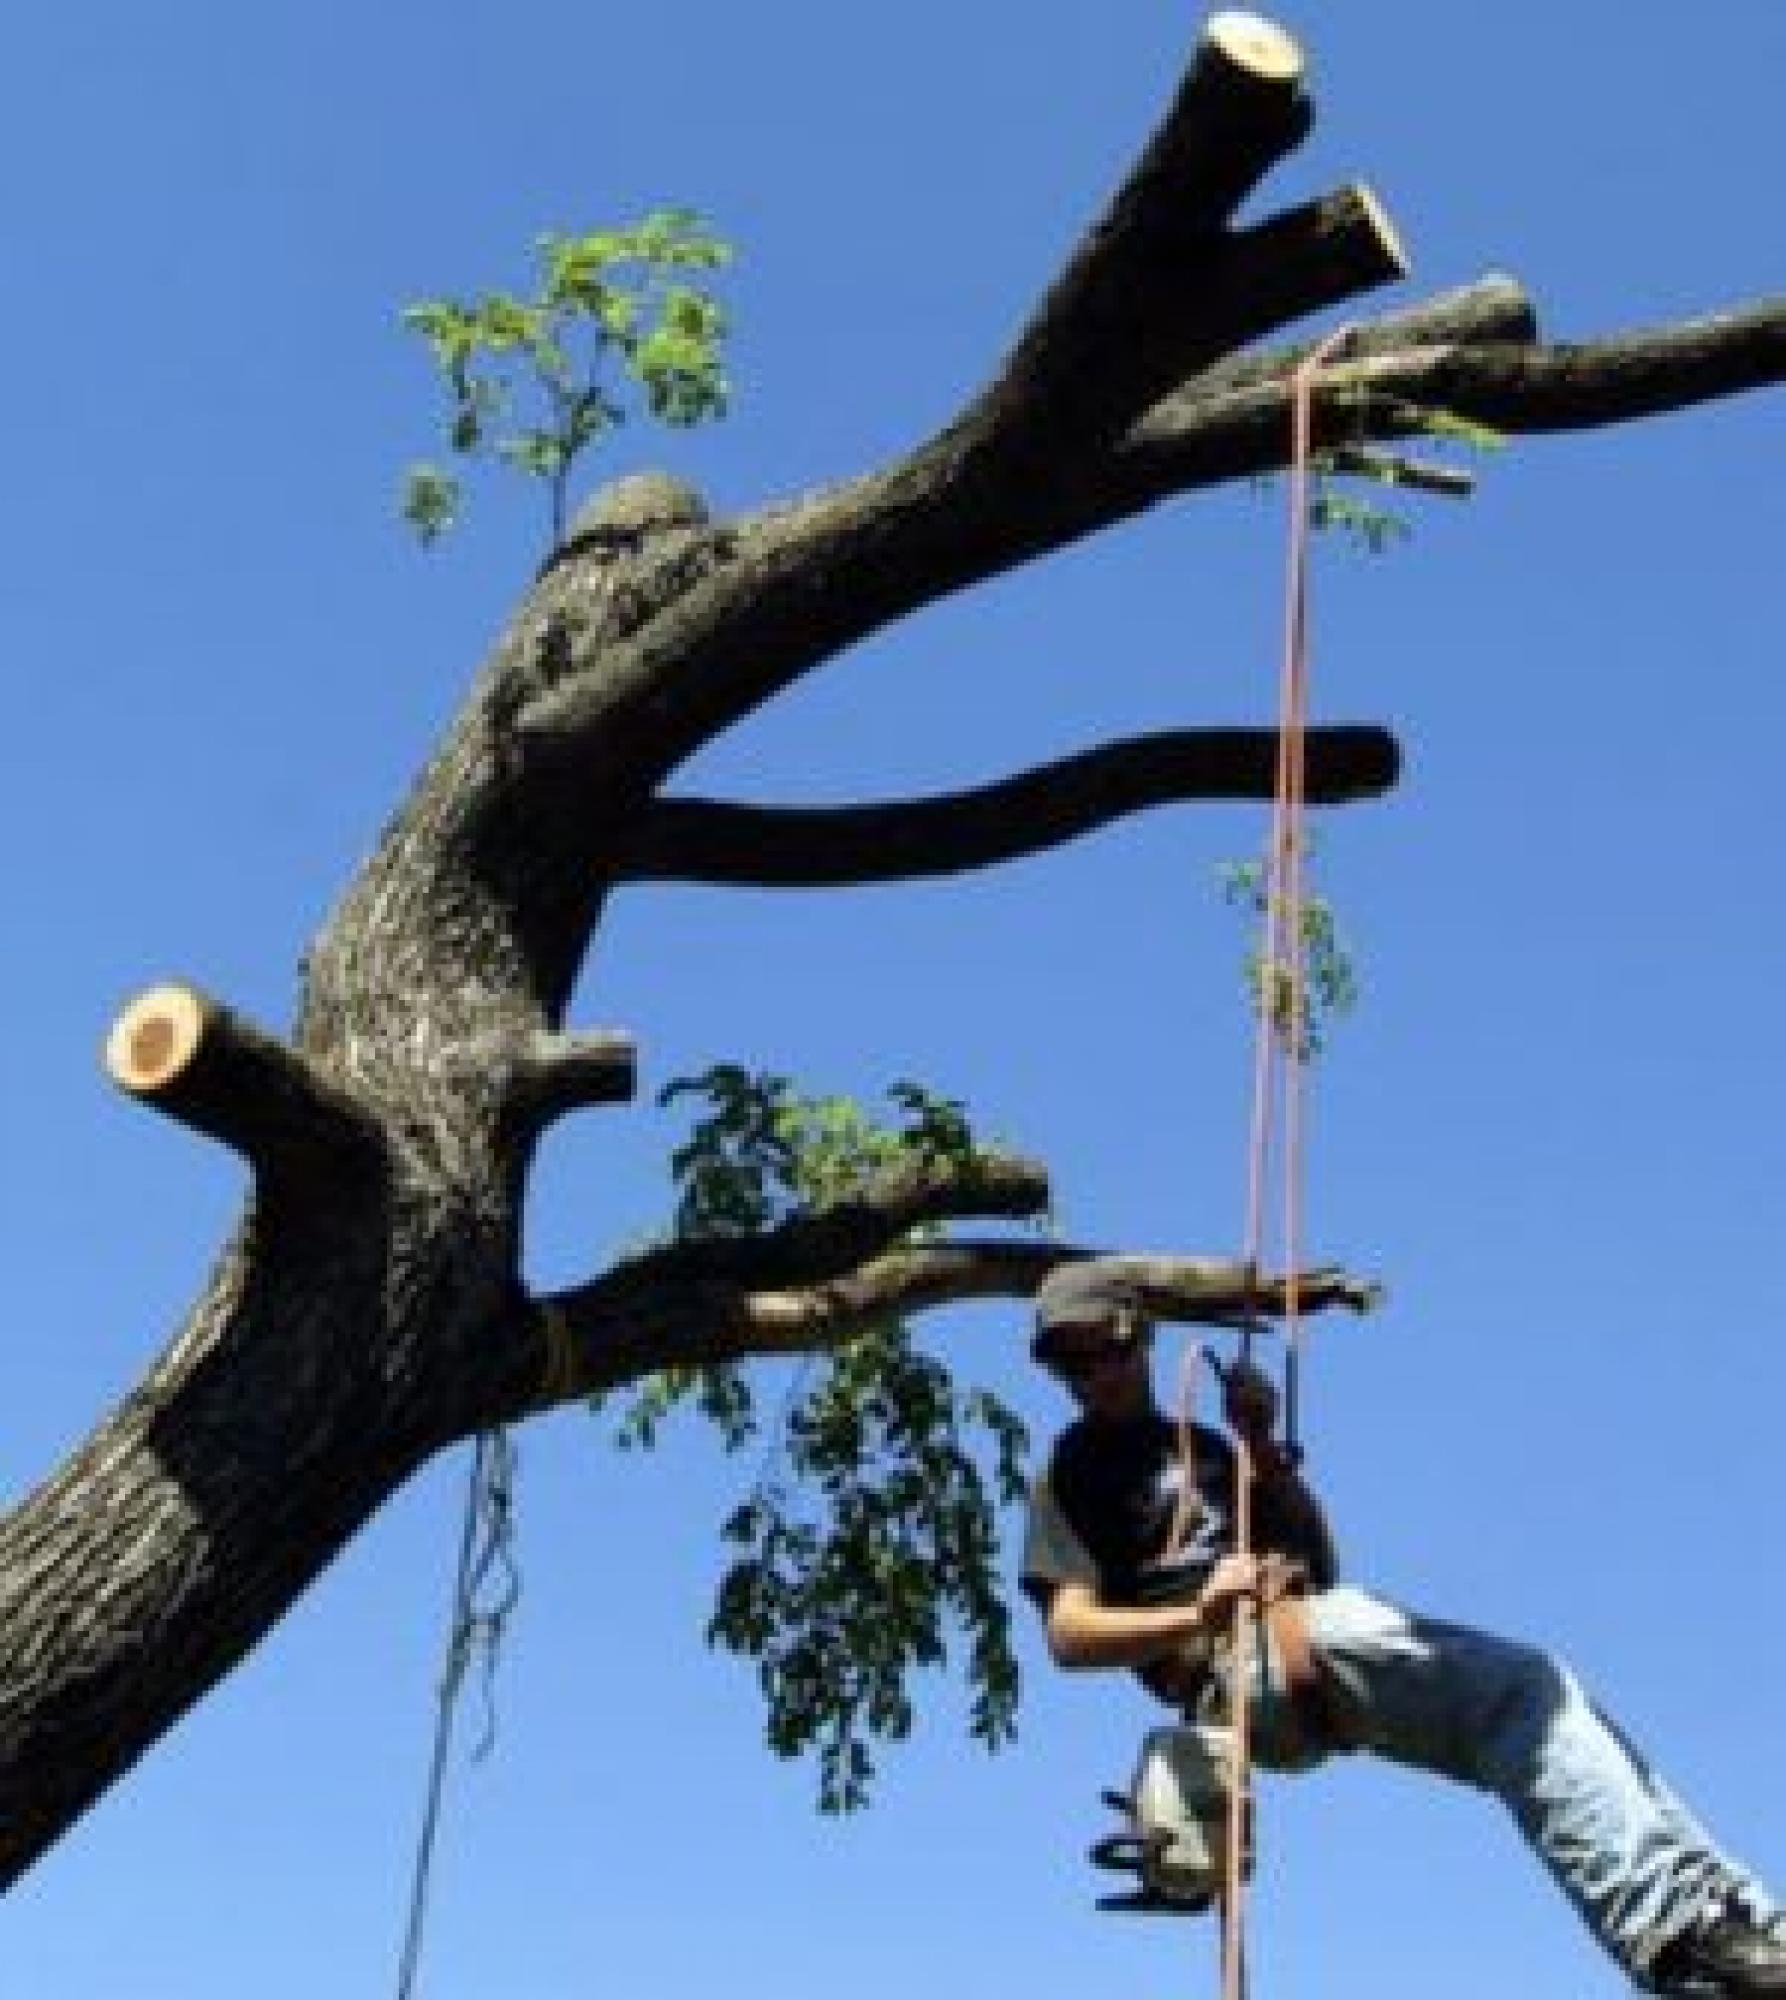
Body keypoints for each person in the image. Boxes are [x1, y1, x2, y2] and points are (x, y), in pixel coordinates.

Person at [1020, 1254, 1786, 1996]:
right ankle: (1683, 1939)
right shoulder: (1069, 1472)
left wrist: (1261, 1450)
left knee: (1560, 1711)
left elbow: (1318, 1563)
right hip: (1235, 1667)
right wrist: (1198, 1611)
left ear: (1139, 1337)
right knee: (1523, 1696)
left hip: (1294, 1635)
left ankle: (1751, 1932)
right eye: (1072, 1368)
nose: (1094, 1379)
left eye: (1105, 1354)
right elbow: (1068, 1634)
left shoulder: (1214, 1449)